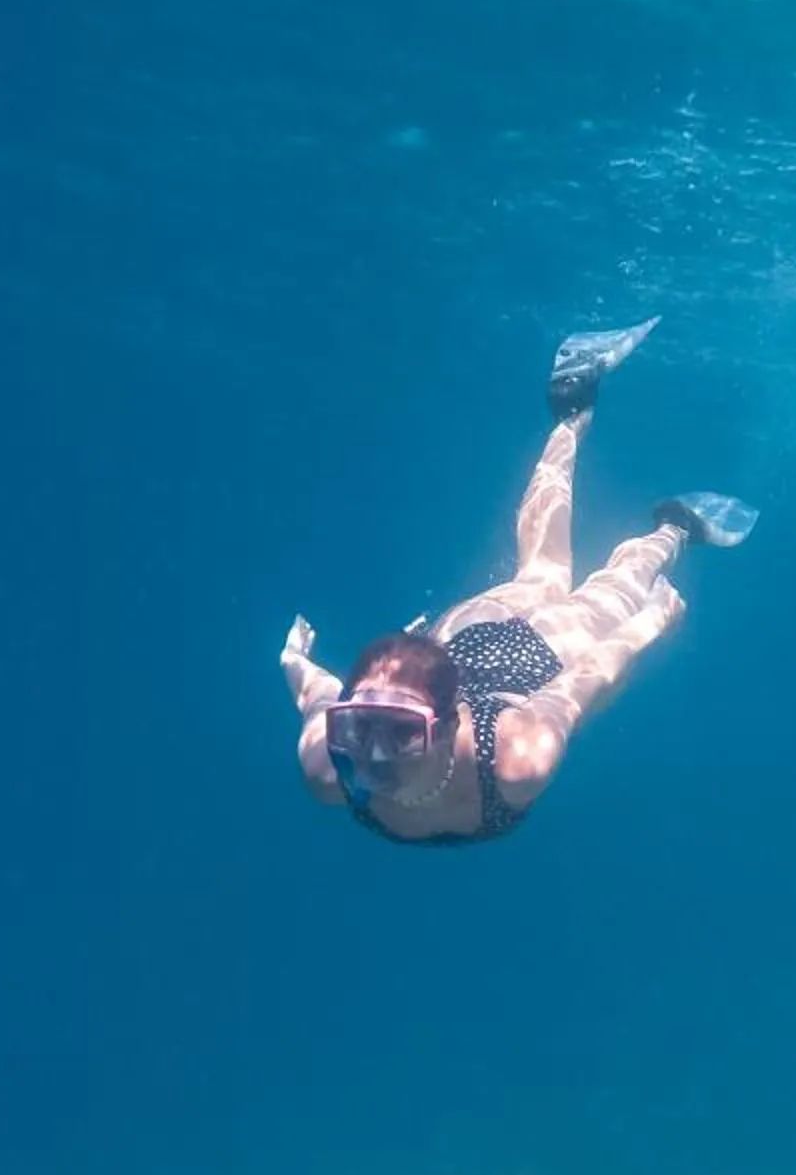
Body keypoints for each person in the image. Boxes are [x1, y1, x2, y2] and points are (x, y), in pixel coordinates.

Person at [279, 317, 756, 845]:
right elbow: (320, 697)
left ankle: (674, 527)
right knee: (542, 573)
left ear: (451, 728)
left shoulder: (513, 759)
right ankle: (570, 417)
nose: (372, 752)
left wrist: (651, 623)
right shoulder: (329, 767)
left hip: (529, 661)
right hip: (454, 649)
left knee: (610, 591)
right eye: (360, 725)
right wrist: (293, 662)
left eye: (403, 732)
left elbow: (588, 680)